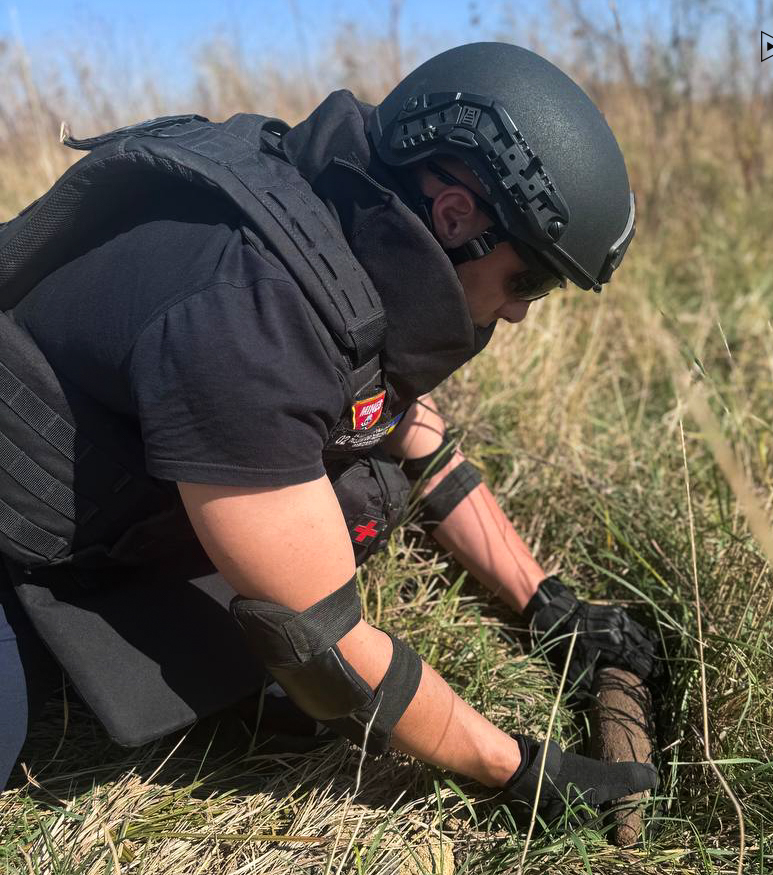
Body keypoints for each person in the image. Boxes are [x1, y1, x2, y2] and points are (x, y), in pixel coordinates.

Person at [0, 41, 657, 826]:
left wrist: (548, 602)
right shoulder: (253, 319)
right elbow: (323, 643)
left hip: (121, 491)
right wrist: (518, 769)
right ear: (455, 217)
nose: (523, 311)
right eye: (534, 279)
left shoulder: (343, 223)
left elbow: (413, 436)